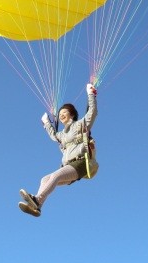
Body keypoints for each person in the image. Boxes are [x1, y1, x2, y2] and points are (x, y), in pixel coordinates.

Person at [18, 83, 99, 217]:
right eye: (59, 113)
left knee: (55, 176)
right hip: (69, 166)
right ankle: (37, 207)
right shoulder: (62, 134)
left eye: (64, 112)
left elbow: (92, 113)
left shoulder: (81, 125)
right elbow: (54, 136)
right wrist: (46, 123)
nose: (61, 115)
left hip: (80, 163)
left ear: (72, 114)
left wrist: (91, 94)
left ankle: (37, 200)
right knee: (45, 179)